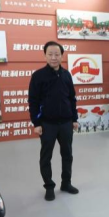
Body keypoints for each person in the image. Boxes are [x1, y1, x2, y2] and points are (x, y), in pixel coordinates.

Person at [28, 42, 80, 201]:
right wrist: (36, 123)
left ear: (62, 56)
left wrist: (74, 119)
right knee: (46, 157)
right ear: (45, 55)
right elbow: (33, 101)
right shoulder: (38, 76)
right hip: (47, 124)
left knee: (67, 154)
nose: (53, 57)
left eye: (57, 54)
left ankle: (66, 183)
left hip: (66, 123)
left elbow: (72, 98)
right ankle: (49, 186)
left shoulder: (67, 75)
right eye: (50, 54)